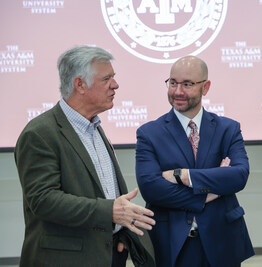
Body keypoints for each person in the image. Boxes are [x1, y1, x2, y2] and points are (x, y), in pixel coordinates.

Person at [14, 45, 156, 267]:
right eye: (106, 78)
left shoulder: (94, 127)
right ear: (79, 84)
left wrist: (120, 234)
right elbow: (43, 200)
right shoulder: (39, 133)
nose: (115, 85)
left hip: (107, 255)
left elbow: (102, 193)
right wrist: (110, 212)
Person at [135, 56, 254, 267]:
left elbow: (239, 176)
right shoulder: (149, 133)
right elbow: (151, 188)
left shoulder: (228, 129)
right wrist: (211, 192)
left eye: (187, 84)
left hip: (222, 242)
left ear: (205, 87)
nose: (178, 91)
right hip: (172, 244)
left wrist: (183, 176)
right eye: (173, 83)